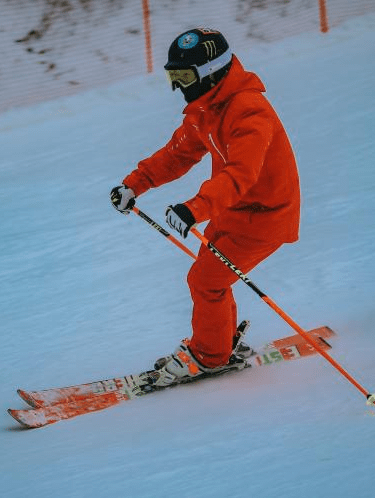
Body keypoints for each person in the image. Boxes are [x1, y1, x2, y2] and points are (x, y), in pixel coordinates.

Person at [110, 28, 300, 386]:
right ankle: (220, 344)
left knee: (206, 281)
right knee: (211, 278)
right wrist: (134, 184)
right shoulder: (206, 108)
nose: (179, 86)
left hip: (265, 215)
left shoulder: (248, 112)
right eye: (173, 77)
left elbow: (240, 174)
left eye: (184, 76)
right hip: (233, 210)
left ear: (211, 71)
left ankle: (209, 357)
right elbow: (177, 154)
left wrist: (195, 209)